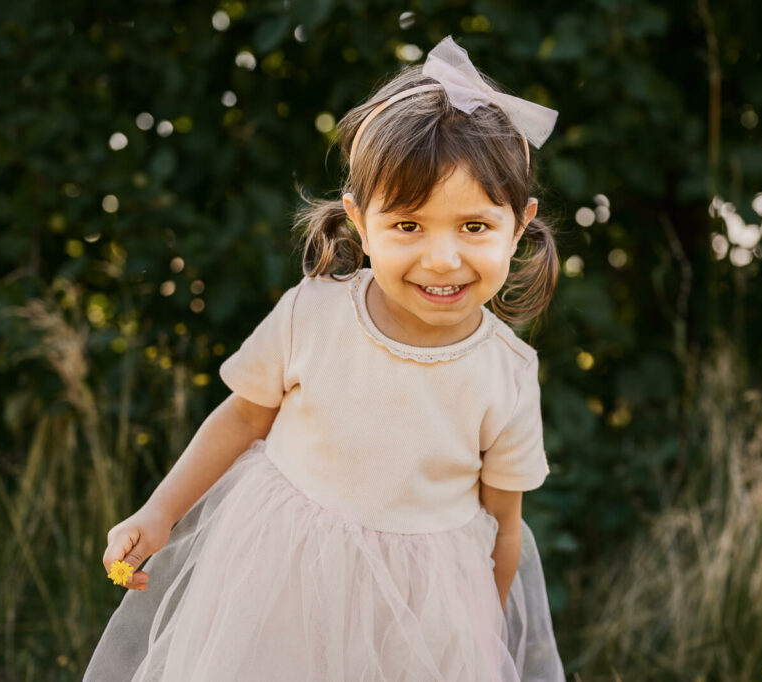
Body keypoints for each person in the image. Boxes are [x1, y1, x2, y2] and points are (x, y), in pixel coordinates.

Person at [84, 35, 566, 681]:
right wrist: (157, 513)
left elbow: (503, 525)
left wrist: (478, 635)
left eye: (474, 227)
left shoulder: (504, 373)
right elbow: (241, 419)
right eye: (408, 226)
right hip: (283, 575)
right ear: (361, 224)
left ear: (520, 223)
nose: (443, 258)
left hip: (421, 610)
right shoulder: (313, 314)